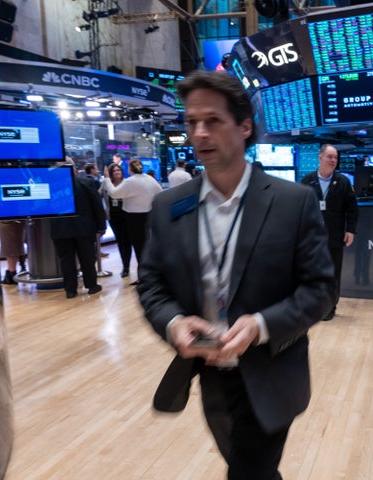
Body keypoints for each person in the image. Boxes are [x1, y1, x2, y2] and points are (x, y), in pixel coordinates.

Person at [137, 70, 333, 479]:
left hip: (272, 369)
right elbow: (151, 285)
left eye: (213, 121)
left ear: (245, 127)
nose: (199, 134)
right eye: (191, 123)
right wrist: (173, 323)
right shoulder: (169, 207)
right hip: (208, 370)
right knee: (247, 466)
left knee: (247, 471)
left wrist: (260, 325)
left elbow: (319, 291)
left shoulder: (292, 203)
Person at [301, 144, 358, 321]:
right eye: (330, 157)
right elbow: (299, 208)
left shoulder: (342, 182)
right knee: (312, 271)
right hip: (312, 236)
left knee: (333, 272)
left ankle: (330, 306)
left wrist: (350, 230)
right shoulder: (307, 181)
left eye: (335, 157)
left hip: (334, 235)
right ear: (320, 158)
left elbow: (352, 208)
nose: (333, 160)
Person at [50, 161, 106, 298]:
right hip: (84, 228)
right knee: (87, 258)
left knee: (66, 260)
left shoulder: (51, 186)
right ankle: (92, 285)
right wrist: (101, 225)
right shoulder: (85, 183)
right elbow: (96, 205)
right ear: (74, 168)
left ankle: (70, 290)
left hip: (60, 230)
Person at [102, 158, 163, 277]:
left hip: (133, 217)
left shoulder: (130, 181)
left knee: (138, 247)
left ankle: (143, 275)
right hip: (146, 215)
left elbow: (114, 194)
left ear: (130, 169)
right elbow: (160, 193)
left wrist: (107, 179)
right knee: (144, 245)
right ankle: (146, 273)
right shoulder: (149, 179)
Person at [101, 163, 132, 277]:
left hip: (127, 215)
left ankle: (127, 266)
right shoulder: (106, 184)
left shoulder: (127, 183)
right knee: (120, 241)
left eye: (118, 170)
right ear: (110, 174)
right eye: (114, 171)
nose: (117, 172)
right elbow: (98, 194)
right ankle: (124, 265)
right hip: (113, 217)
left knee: (127, 241)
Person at [0, 220, 26, 285]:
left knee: (9, 245)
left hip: (8, 218)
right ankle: (11, 273)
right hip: (13, 218)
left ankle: (11, 274)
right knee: (12, 244)